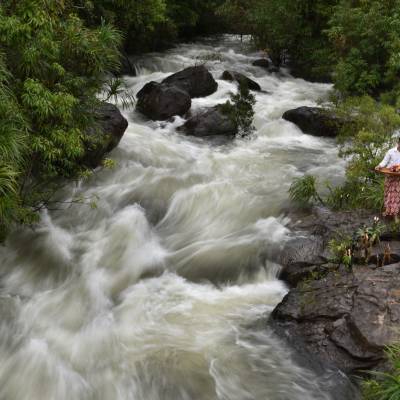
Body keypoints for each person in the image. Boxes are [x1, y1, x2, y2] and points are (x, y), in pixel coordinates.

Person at [375, 138, 400, 218]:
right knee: (389, 195)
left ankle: (395, 215)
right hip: (389, 176)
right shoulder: (391, 151)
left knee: (396, 195)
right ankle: (388, 212)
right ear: (398, 143)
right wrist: (379, 166)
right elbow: (384, 162)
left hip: (399, 178)